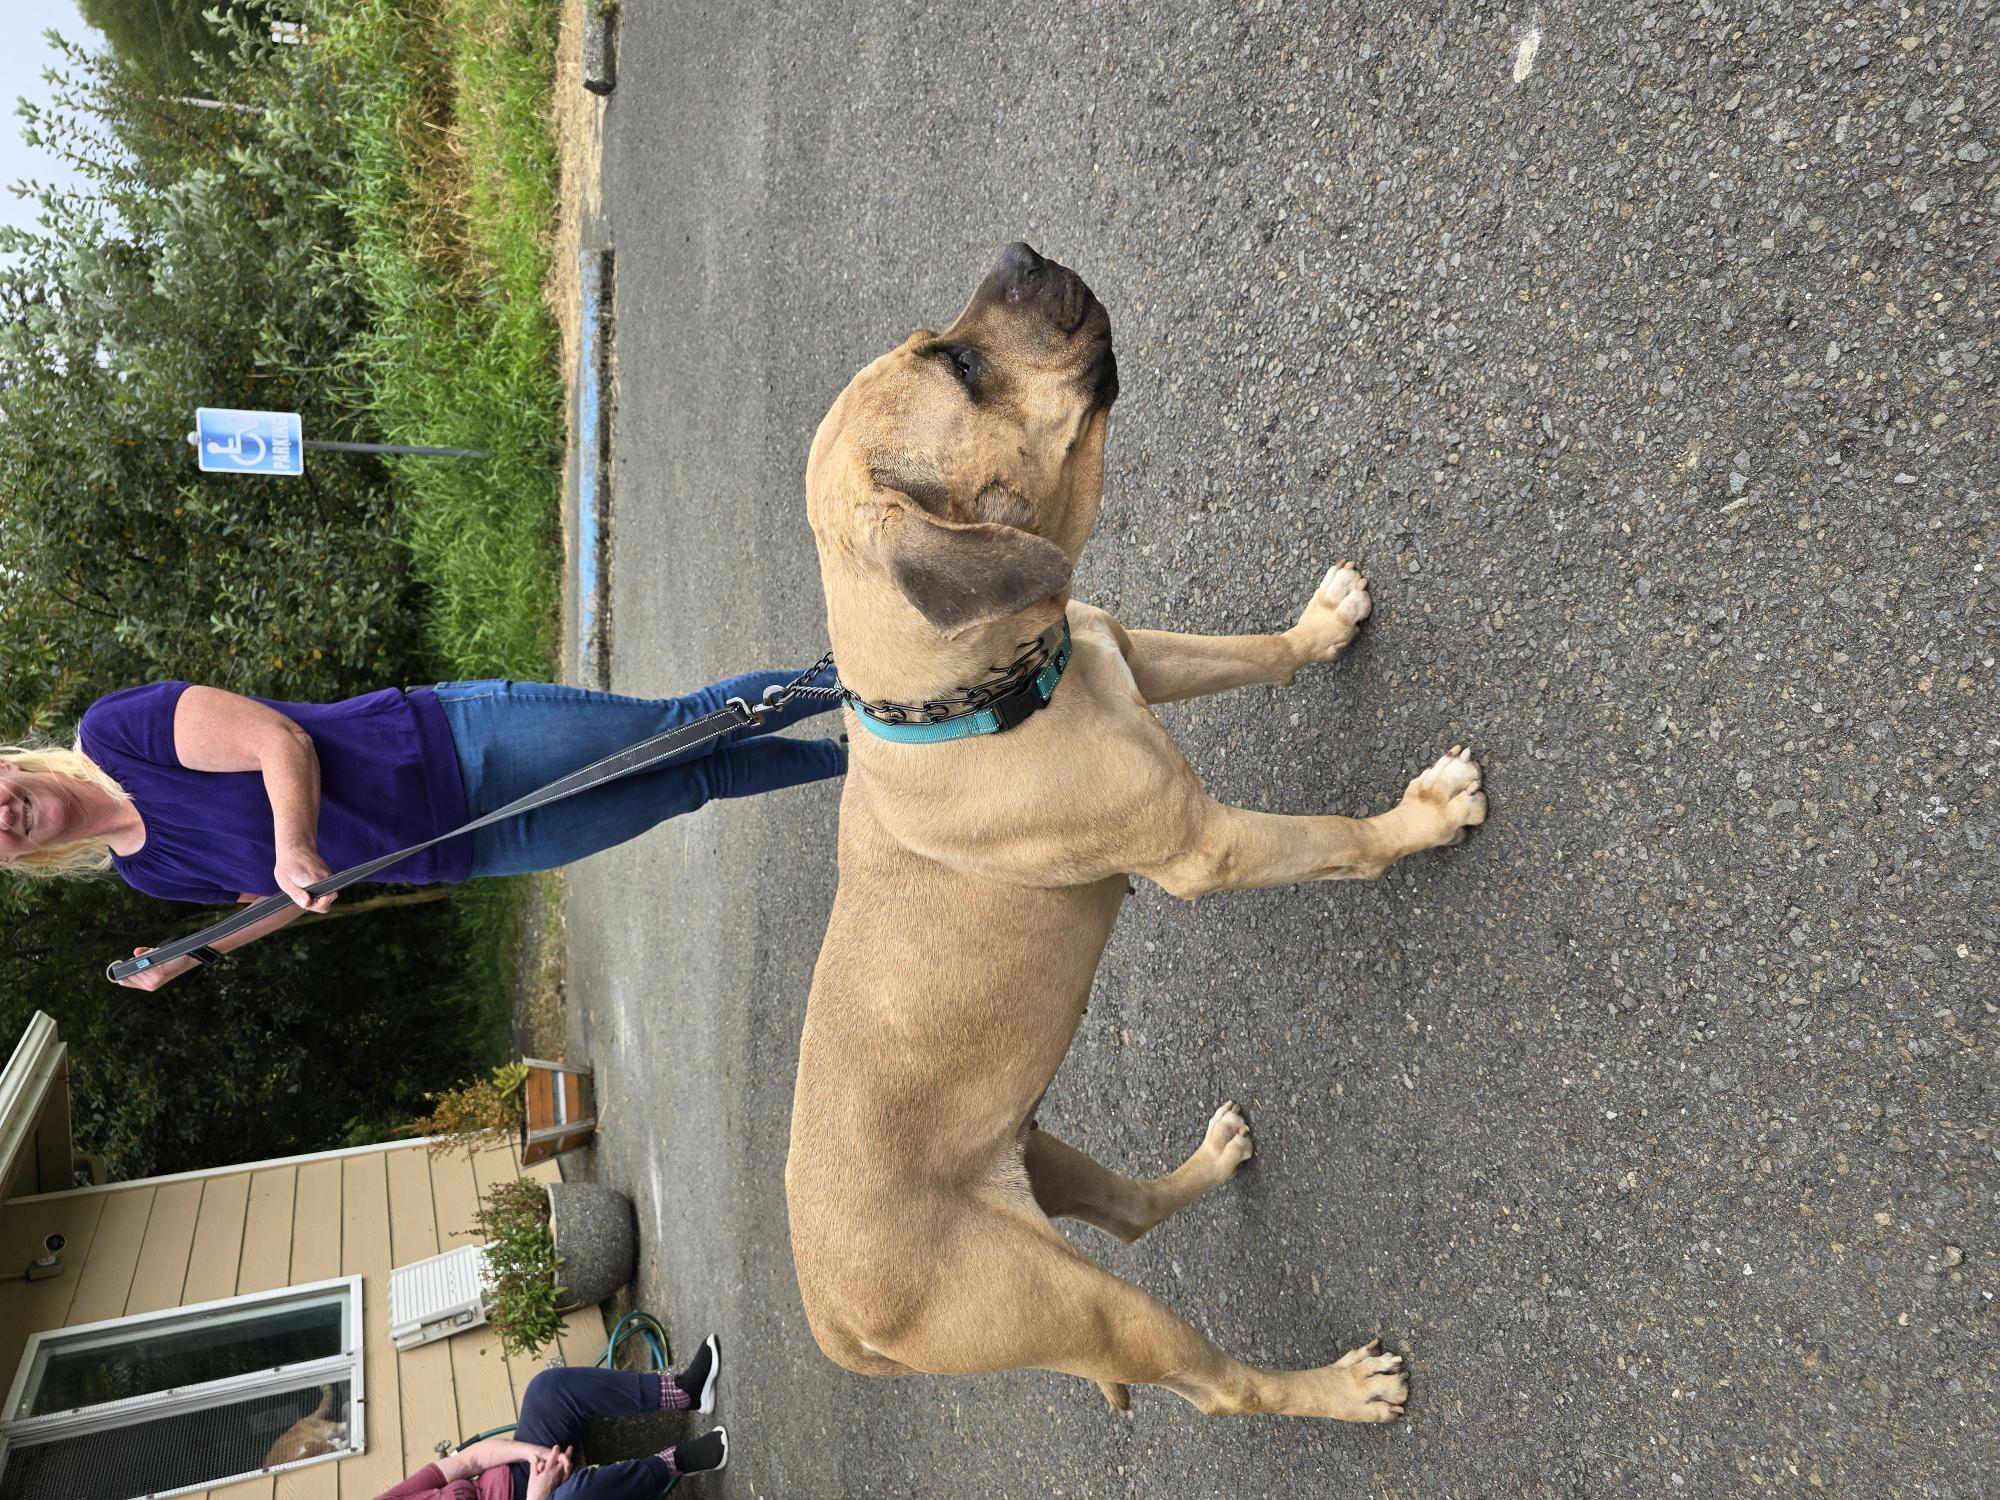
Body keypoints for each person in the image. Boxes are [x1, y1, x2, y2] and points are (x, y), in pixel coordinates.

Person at [0, 671, 842, 988]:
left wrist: (295, 846)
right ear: (15, 861)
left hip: (453, 743)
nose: (4, 818)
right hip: (467, 845)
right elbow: (280, 897)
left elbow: (275, 740)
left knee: (684, 724)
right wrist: (193, 954)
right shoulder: (147, 873)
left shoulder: (116, 734)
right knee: (693, 782)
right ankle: (869, 757)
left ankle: (864, 684)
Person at [374, 1336, 727, 1499]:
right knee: (575, 1498)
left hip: (520, 1473)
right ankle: (676, 1463)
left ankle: (682, 1393)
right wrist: (538, 1494)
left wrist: (531, 1454)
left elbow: (469, 1460)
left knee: (547, 1390)